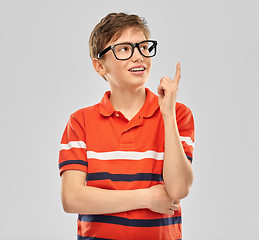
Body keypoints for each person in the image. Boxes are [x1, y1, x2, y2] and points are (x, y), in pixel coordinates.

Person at [58, 12, 195, 240]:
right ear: (100, 66)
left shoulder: (178, 114)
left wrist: (167, 115)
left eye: (143, 47)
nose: (138, 56)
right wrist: (146, 198)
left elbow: (179, 189)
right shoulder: (80, 121)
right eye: (124, 49)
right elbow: (72, 198)